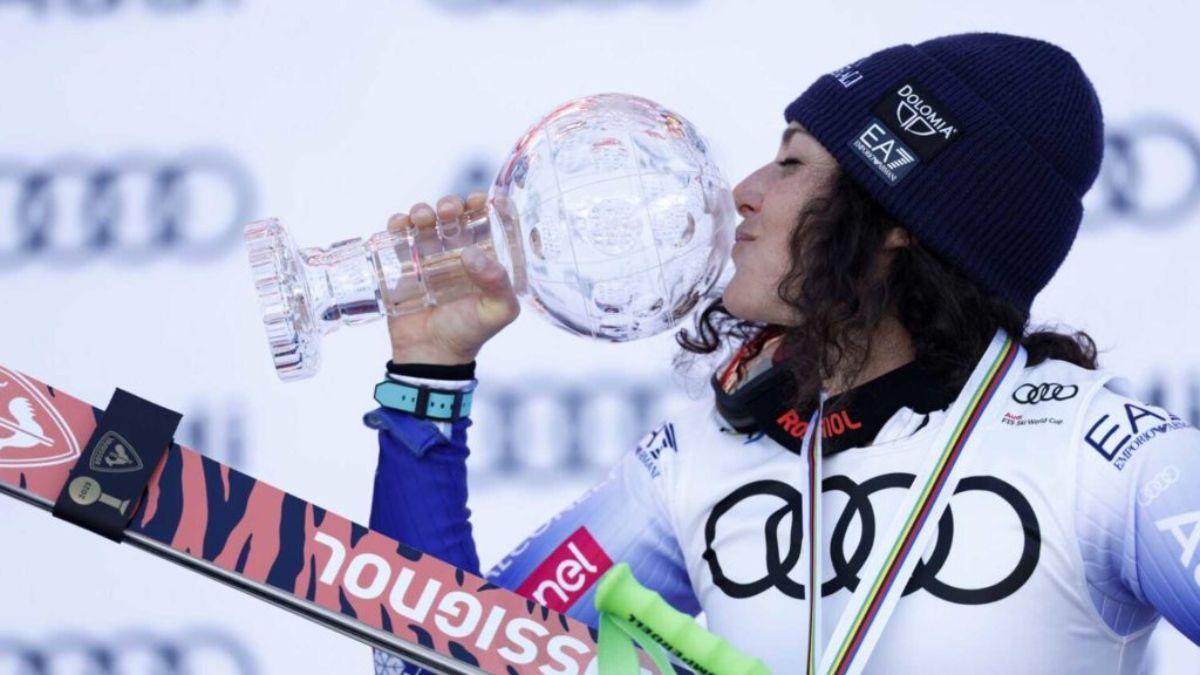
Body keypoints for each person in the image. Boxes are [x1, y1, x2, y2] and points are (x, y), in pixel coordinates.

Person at [364, 32, 1200, 674]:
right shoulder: (698, 459)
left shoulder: (1103, 456)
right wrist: (430, 371)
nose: (745, 193)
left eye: (793, 160)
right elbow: (432, 661)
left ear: (896, 221)